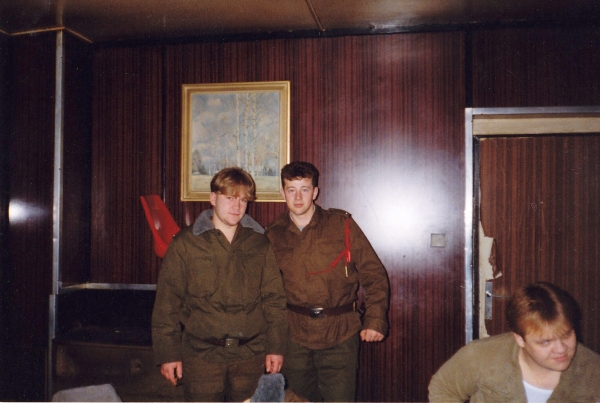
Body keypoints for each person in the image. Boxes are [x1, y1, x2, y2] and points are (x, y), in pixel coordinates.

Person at [151, 167, 288, 402]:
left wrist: (276, 347)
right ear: (213, 198)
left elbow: (274, 299)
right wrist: (168, 353)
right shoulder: (186, 244)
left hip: (250, 357)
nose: (237, 206)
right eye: (230, 198)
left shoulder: (259, 243)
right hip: (202, 358)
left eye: (243, 200)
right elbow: (167, 303)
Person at [266, 161, 390, 402]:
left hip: (339, 334)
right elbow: (268, 295)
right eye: (291, 190)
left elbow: (374, 274)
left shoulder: (341, 224)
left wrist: (375, 319)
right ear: (282, 193)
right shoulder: (273, 234)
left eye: (304, 189)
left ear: (315, 192)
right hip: (294, 337)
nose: (298, 197)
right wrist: (273, 344)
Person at [429, 282, 600, 402]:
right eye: (545, 342)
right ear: (520, 339)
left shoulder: (593, 369)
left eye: (567, 335)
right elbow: (443, 389)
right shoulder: (481, 356)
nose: (561, 349)